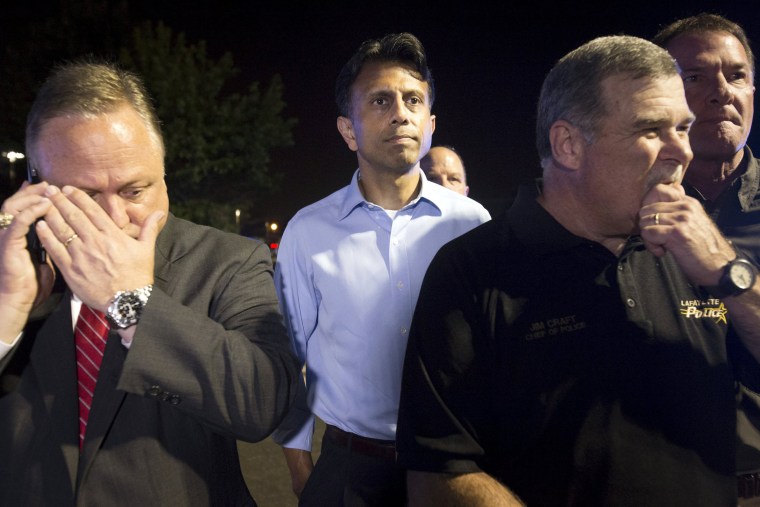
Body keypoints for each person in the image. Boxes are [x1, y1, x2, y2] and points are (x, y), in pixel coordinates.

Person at [397, 35, 760, 506]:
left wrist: (727, 271)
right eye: (651, 130)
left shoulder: (703, 251)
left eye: (683, 129)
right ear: (568, 145)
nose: (681, 152)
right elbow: (437, 473)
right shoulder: (469, 269)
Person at [0, 61, 301, 506]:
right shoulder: (14, 266)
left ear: (163, 173)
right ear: (36, 186)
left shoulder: (227, 261)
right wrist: (6, 314)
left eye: (133, 191)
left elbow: (261, 403)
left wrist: (132, 303)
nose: (114, 220)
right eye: (83, 198)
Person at [271, 32, 491, 505]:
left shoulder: (473, 225)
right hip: (351, 470)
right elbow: (290, 359)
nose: (401, 112)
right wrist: (301, 469)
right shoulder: (308, 232)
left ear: (430, 124)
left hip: (457, 468)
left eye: (413, 99)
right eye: (380, 100)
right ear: (348, 129)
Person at [652, 13, 760, 504]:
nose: (722, 92)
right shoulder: (622, 211)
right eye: (694, 77)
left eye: (736, 75)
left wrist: (729, 273)